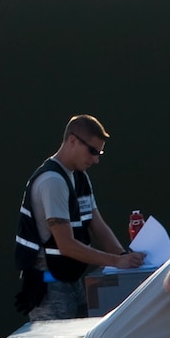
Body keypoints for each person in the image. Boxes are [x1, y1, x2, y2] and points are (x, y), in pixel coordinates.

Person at [14, 114, 142, 321]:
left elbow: (97, 225)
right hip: (49, 286)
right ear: (72, 140)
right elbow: (66, 245)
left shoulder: (80, 177)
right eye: (92, 151)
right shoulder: (52, 181)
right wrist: (117, 261)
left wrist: (126, 257)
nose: (96, 159)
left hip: (70, 280)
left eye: (99, 153)